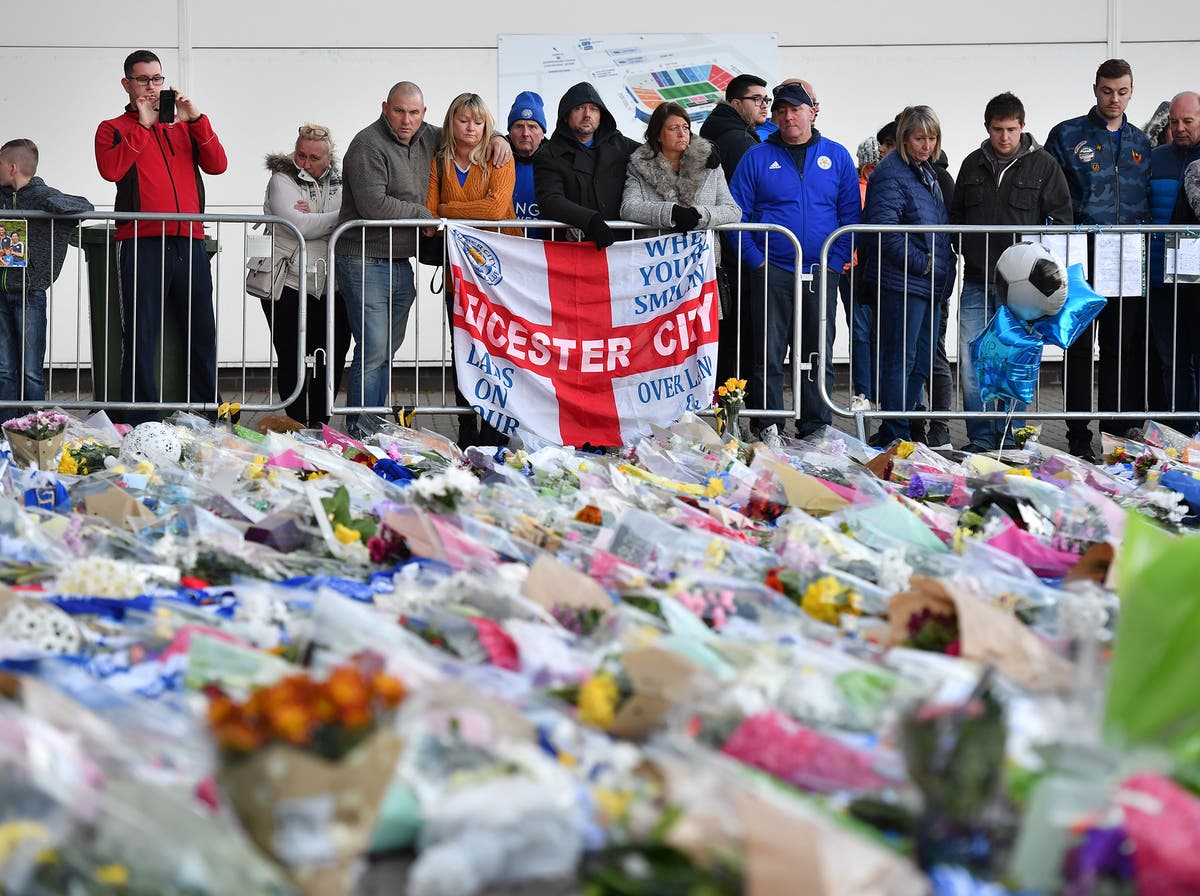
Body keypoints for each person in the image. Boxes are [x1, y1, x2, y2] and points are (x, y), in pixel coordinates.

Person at [336, 80, 512, 437]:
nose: (406, 120)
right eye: (399, 111)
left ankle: (370, 424)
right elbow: (375, 205)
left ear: (424, 115)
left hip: (400, 261)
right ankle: (361, 430)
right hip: (365, 259)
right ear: (384, 108)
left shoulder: (429, 136)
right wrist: (427, 215)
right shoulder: (367, 145)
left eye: (414, 113)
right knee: (373, 351)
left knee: (384, 352)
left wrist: (500, 138)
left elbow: (471, 128)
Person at [95, 49, 228, 424]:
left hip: (189, 240)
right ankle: (141, 418)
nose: (151, 87)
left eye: (157, 79)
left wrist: (197, 118)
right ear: (127, 84)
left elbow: (218, 164)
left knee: (201, 329)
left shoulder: (185, 124)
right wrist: (142, 124)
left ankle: (205, 413)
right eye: (143, 80)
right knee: (142, 332)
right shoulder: (113, 127)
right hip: (141, 240)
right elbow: (111, 169)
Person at [729, 81, 861, 446]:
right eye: (781, 110)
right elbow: (736, 216)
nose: (788, 116)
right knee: (768, 351)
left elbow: (850, 216)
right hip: (772, 271)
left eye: (796, 109)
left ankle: (816, 425)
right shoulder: (755, 157)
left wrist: (834, 263)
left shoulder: (836, 156)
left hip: (821, 273)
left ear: (812, 112)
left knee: (818, 349)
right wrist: (757, 263)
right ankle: (768, 425)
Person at [950, 92, 1073, 452]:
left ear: (1023, 126)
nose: (1004, 137)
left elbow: (1061, 220)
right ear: (986, 128)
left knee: (1015, 361)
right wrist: (966, 249)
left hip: (1024, 292)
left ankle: (1012, 437)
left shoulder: (1045, 166)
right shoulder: (972, 164)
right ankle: (980, 438)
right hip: (977, 279)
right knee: (974, 361)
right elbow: (956, 217)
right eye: (997, 129)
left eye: (1011, 129)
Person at [1045, 58, 1152, 461]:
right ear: (1095, 89)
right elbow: (1053, 199)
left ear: (1131, 91)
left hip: (1125, 263)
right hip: (1080, 262)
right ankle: (1076, 435)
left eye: (1122, 91)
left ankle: (1113, 434)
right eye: (1108, 90)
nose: (1114, 99)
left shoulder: (1142, 142)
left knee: (1119, 349)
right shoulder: (1067, 135)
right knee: (1078, 347)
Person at [425, 92, 518, 447]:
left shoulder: (498, 157)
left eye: (478, 122)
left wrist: (450, 209)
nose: (471, 128)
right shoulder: (440, 162)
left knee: (495, 350)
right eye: (464, 120)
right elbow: (431, 217)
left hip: (498, 276)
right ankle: (466, 426)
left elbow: (496, 210)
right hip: (458, 274)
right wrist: (450, 212)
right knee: (462, 351)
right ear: (451, 122)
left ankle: (496, 430)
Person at [862, 105, 955, 447]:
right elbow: (885, 230)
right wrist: (924, 264)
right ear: (904, 138)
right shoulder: (891, 173)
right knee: (900, 359)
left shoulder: (925, 172)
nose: (926, 145)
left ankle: (901, 428)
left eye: (932, 138)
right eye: (920, 138)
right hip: (902, 283)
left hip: (928, 284)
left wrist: (944, 268)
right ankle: (895, 431)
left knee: (920, 360)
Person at [260, 123, 352, 428]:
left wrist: (313, 217)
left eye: (314, 158)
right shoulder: (281, 177)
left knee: (331, 357)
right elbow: (296, 224)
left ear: (329, 158)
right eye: (301, 155)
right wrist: (342, 217)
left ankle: (321, 425)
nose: (305, 163)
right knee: (291, 357)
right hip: (289, 281)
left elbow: (309, 221)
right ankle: (296, 424)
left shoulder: (344, 179)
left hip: (333, 284)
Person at [0, 138, 93, 404]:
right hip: (1, 291)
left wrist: (46, 206)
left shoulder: (42, 195)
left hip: (30, 294)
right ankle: (6, 429)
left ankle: (35, 427)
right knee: (4, 369)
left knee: (31, 371)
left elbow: (84, 205)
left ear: (13, 167)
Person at [533, 82, 641, 248]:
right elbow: (550, 200)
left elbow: (658, 154)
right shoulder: (548, 155)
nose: (587, 115)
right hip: (574, 250)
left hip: (623, 250)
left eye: (594, 109)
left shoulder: (620, 144)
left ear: (601, 115)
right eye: (579, 108)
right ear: (566, 115)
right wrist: (589, 220)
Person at [1147, 91, 1200, 425]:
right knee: (1172, 359)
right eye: (1175, 122)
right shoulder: (1157, 158)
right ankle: (1179, 433)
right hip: (1163, 276)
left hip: (1199, 278)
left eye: (1188, 122)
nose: (1180, 128)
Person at [619, 100, 741, 241]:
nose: (682, 134)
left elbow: (733, 210)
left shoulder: (710, 164)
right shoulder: (638, 166)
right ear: (658, 135)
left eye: (685, 127)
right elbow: (629, 208)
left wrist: (698, 215)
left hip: (702, 258)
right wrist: (670, 213)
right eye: (673, 128)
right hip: (658, 258)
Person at [843, 137, 880, 413]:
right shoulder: (856, 189)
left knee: (871, 330)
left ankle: (874, 390)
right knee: (861, 329)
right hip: (854, 268)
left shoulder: (874, 188)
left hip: (872, 267)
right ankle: (863, 391)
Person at [699, 74, 768, 181]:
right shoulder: (741, 141)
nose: (764, 105)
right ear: (736, 103)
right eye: (757, 99)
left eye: (766, 99)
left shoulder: (720, 126)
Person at [505, 90, 547, 226]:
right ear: (510, 133)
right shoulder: (494, 157)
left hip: (544, 244)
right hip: (503, 245)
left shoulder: (557, 161)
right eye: (519, 126)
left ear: (542, 134)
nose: (525, 133)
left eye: (532, 127)